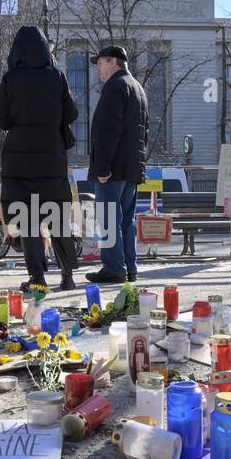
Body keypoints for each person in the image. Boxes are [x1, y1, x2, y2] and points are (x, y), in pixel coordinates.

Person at [0, 25, 80, 291]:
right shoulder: (56, 76)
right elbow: (72, 114)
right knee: (57, 219)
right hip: (52, 158)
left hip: (19, 162)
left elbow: (0, 118)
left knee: (28, 220)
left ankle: (37, 278)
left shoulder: (11, 79)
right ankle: (68, 276)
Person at [86, 45, 149, 285]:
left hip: (113, 168)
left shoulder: (115, 87)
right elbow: (145, 132)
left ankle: (113, 267)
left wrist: (102, 168)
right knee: (126, 220)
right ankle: (129, 267)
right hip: (132, 168)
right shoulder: (137, 88)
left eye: (100, 63)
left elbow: (107, 131)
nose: (98, 69)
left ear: (113, 62)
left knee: (109, 218)